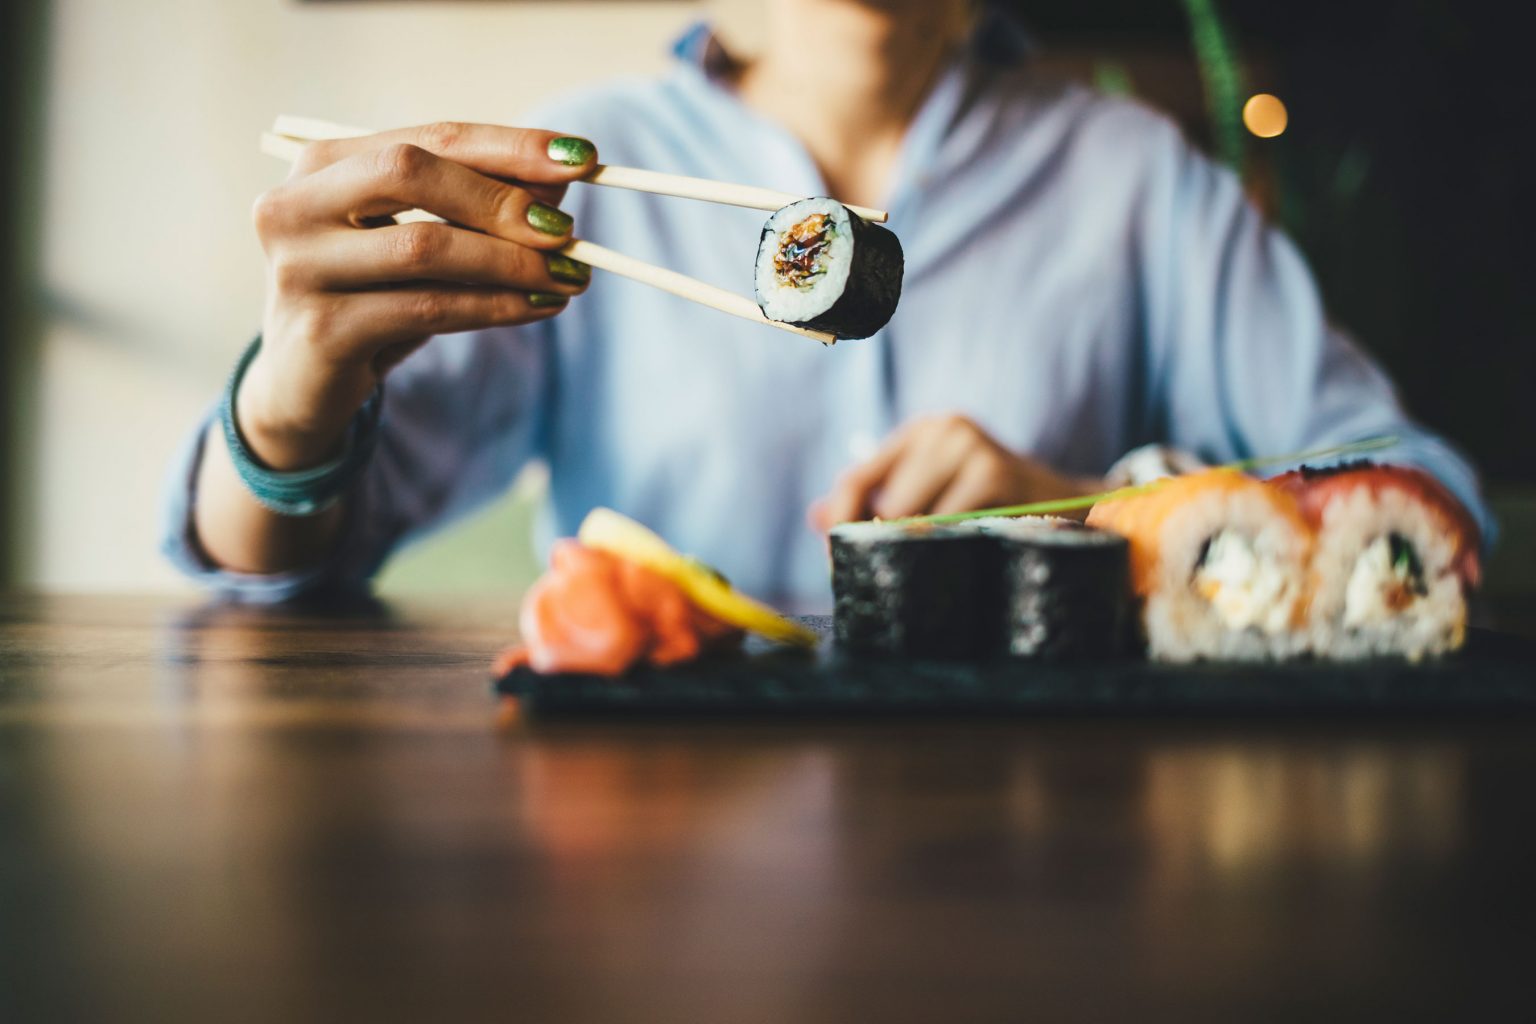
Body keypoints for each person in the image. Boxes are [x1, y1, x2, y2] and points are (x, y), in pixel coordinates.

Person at [162, 0, 1491, 608]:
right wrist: (292, 398)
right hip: (646, 852)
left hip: (1049, 850)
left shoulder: (1136, 177)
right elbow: (276, 562)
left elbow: (1428, 506)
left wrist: (1104, 517)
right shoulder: (581, 167)